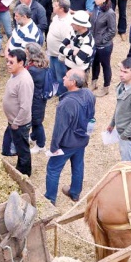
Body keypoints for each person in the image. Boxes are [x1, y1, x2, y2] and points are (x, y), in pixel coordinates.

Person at [43, 68, 96, 205]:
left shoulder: (66, 103)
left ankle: (50, 199)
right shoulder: (89, 94)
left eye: (66, 76)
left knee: (53, 170)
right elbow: (91, 116)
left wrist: (54, 147)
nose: (63, 78)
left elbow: (59, 129)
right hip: (82, 139)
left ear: (72, 82)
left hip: (67, 143)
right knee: (78, 166)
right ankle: (75, 193)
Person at [1, 49, 34, 176]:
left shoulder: (24, 81)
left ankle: (24, 173)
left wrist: (16, 123)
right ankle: (20, 168)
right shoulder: (14, 74)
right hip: (14, 120)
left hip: (19, 123)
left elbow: (25, 106)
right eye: (7, 61)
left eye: (11, 62)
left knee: (23, 149)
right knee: (20, 147)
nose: (8, 64)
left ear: (21, 63)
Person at [107, 58, 131, 161]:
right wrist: (112, 123)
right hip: (123, 132)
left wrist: (125, 136)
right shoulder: (123, 86)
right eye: (121, 70)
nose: (121, 74)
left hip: (129, 136)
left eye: (125, 72)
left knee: (128, 164)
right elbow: (119, 106)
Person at [90, 0, 116, 97]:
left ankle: (106, 87)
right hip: (93, 43)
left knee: (105, 65)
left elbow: (112, 31)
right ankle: (94, 82)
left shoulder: (110, 13)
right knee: (94, 63)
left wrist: (102, 40)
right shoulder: (95, 9)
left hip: (104, 46)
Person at [25, 43, 50, 155]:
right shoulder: (42, 64)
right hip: (40, 97)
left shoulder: (33, 70)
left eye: (26, 51)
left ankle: (41, 144)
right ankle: (34, 136)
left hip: (36, 99)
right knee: (36, 120)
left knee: (37, 122)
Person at [46, 0, 73, 95]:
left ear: (62, 9)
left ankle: (63, 95)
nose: (53, 6)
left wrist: (62, 56)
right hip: (52, 53)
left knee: (61, 77)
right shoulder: (55, 18)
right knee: (53, 74)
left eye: (56, 5)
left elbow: (67, 43)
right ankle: (56, 91)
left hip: (59, 56)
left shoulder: (67, 23)